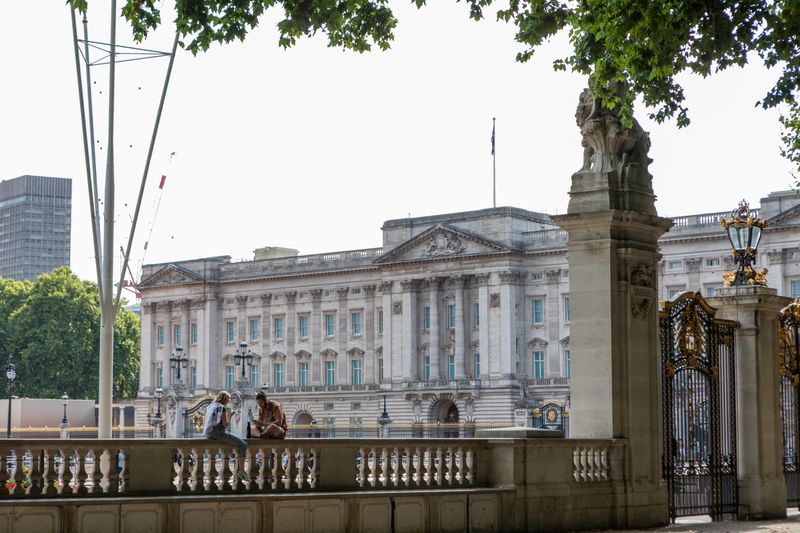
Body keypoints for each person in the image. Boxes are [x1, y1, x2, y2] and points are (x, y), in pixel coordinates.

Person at [203, 391, 248, 480]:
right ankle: (241, 470)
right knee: (242, 444)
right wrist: (229, 415)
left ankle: (240, 470)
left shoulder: (212, 406)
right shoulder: (221, 408)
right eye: (228, 399)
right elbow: (225, 425)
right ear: (224, 399)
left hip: (209, 433)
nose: (229, 401)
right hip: (218, 433)